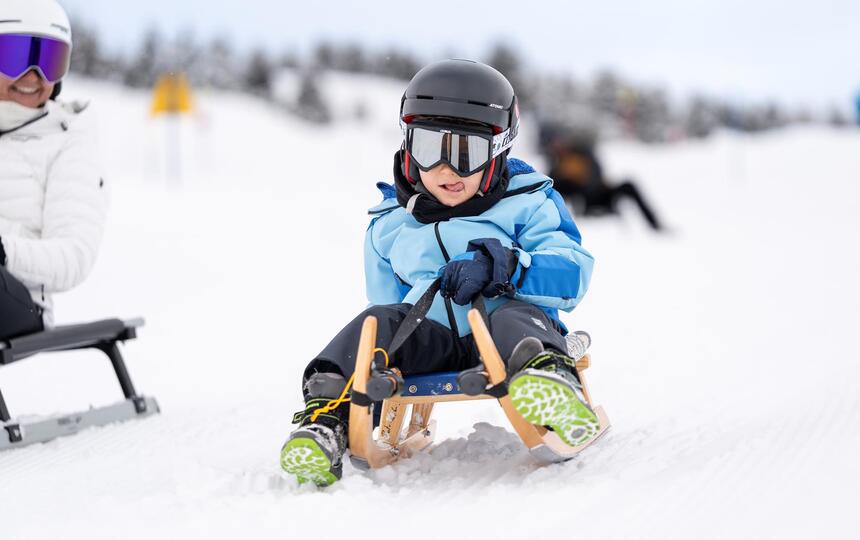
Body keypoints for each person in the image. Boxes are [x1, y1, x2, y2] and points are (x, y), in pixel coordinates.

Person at [280, 59, 599, 486]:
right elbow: (384, 299)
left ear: (500, 148)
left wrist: (504, 267)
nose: (447, 169)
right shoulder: (390, 223)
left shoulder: (529, 203)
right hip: (430, 338)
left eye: (468, 153)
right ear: (409, 146)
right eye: (431, 149)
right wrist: (383, 356)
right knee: (374, 324)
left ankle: (548, 384)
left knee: (512, 318)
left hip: (505, 334)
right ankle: (328, 418)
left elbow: (572, 272)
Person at [0, 0, 108, 341]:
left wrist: (3, 249)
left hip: (19, 299)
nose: (33, 76)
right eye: (17, 56)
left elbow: (73, 255)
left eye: (49, 60)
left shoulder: (69, 139)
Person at [539, 123, 664, 231]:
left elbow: (596, 172)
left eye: (559, 139)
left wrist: (594, 185)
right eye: (554, 142)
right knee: (558, 188)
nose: (558, 144)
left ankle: (655, 225)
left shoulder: (582, 152)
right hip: (582, 201)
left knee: (629, 185)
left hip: (600, 193)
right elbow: (551, 190)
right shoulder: (555, 164)